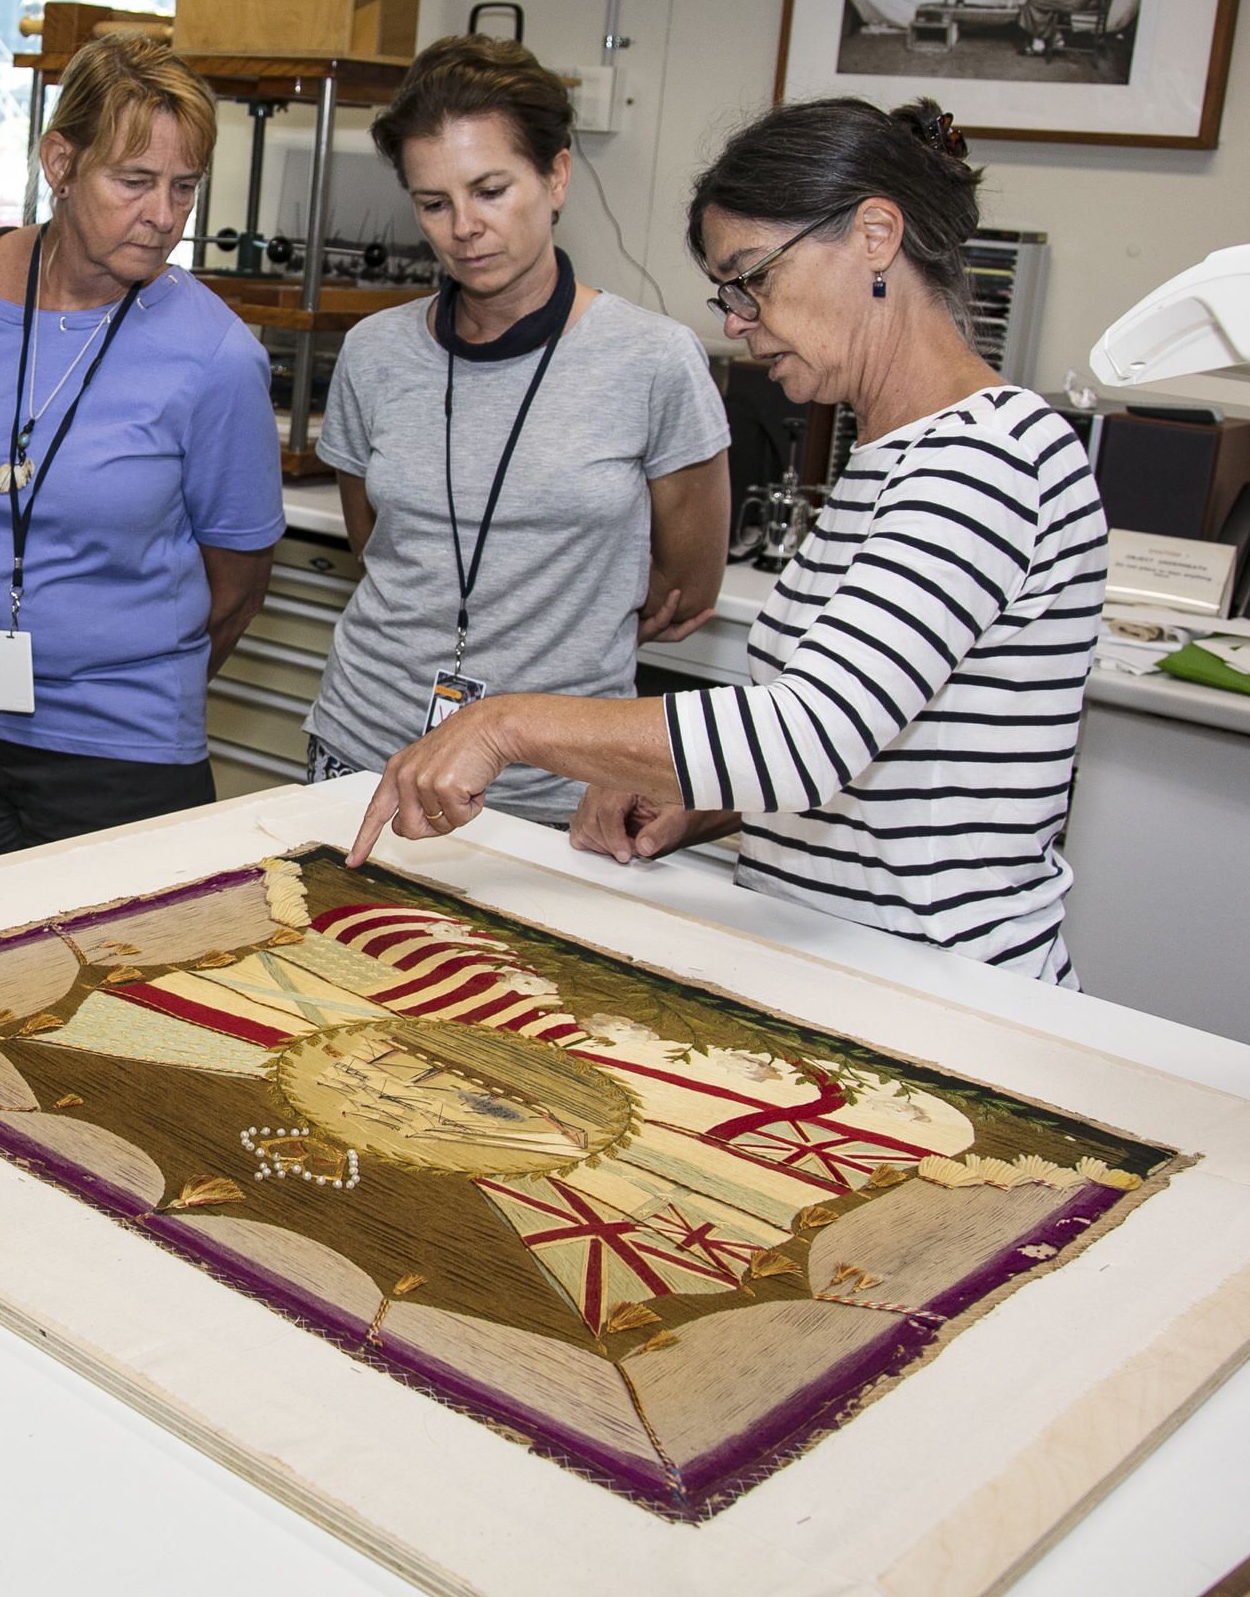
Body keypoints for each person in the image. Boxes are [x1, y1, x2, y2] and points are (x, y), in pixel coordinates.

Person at [349, 97, 1107, 985]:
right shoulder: (889, 457)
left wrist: (504, 723)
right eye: (727, 291)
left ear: (874, 235)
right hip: (845, 967)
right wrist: (700, 806)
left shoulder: (985, 460)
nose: (737, 320)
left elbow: (803, 736)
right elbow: (878, 754)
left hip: (944, 987)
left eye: (753, 277)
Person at [304, 35, 729, 822]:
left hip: (556, 789)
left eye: (491, 189)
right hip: (365, 753)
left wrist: (563, 633)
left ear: (556, 175)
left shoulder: (654, 361)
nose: (465, 226)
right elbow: (376, 546)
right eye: (434, 202)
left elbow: (684, 588)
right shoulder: (374, 354)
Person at [0, 31, 282, 860]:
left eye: (185, 188)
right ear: (59, 162)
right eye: (134, 181)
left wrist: (109, 681)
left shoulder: (216, 357)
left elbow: (237, 586)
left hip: (118, 757)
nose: (164, 216)